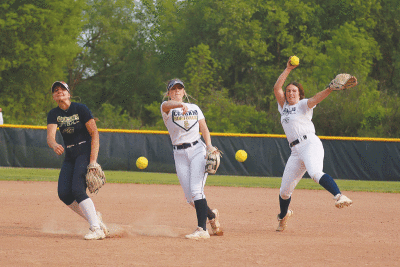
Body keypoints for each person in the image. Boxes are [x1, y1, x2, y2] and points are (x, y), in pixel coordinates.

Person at [273, 57, 353, 232]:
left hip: (309, 144)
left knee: (315, 173)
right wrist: (288, 69)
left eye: (294, 91)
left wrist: (330, 89)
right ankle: (283, 215)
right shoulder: (284, 107)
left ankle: (339, 196)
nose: (290, 93)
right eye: (288, 91)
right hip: (295, 151)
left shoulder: (303, 105)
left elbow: (316, 99)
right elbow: (276, 88)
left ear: (299, 94)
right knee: (284, 191)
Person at [160, 78, 223, 239]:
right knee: (190, 199)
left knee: (196, 190)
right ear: (169, 93)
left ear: (184, 92)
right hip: (179, 154)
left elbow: (204, 128)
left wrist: (209, 146)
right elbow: (167, 105)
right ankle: (211, 215)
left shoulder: (195, 108)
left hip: (197, 150)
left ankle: (202, 230)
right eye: (173, 89)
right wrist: (179, 105)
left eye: (179, 89)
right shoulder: (166, 108)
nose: (177, 91)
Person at [47, 81, 109, 240]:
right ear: (53, 96)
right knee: (64, 193)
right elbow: (50, 137)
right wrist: (54, 145)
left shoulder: (80, 109)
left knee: (77, 190)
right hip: (70, 154)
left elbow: (94, 134)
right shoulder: (54, 113)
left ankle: (96, 228)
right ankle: (94, 218)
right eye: (56, 90)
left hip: (84, 151)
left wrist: (93, 161)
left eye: (62, 89)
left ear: (68, 93)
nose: (59, 91)